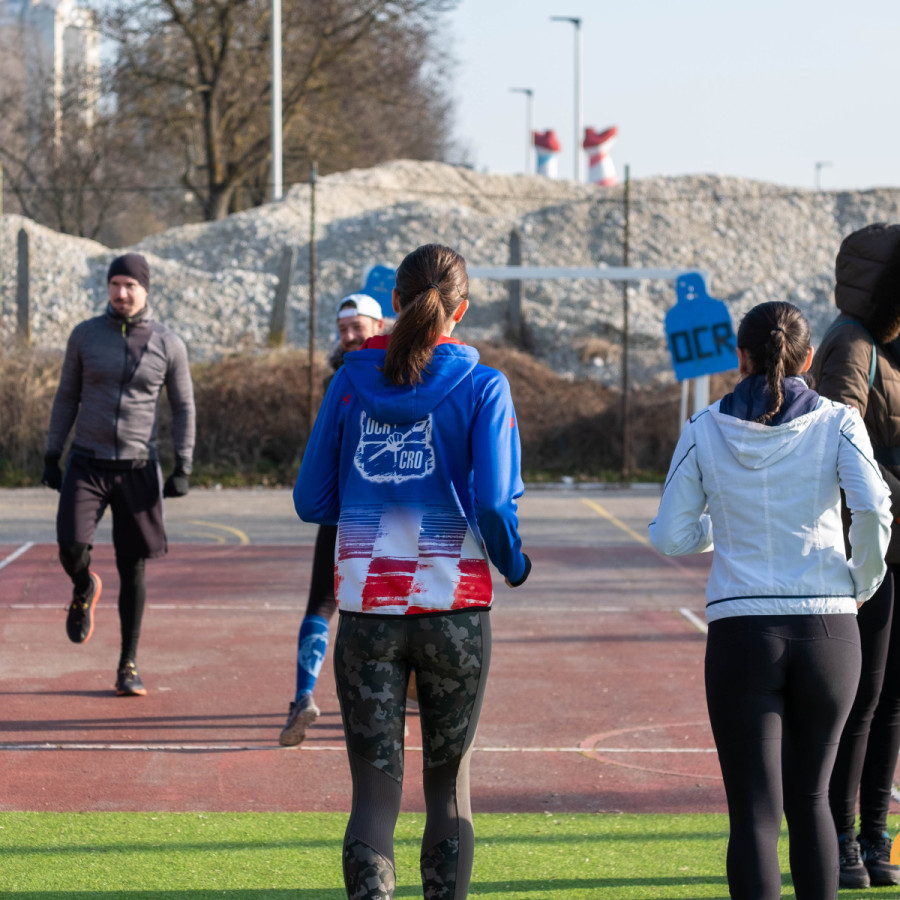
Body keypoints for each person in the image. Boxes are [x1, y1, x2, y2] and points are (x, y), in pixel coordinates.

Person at [293, 243, 531, 900]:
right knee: (448, 788)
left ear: (394, 303)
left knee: (374, 793)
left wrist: (372, 488)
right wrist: (513, 563)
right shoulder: (484, 386)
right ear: (462, 309)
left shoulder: (348, 382)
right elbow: (491, 501)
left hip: (368, 613)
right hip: (454, 609)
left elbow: (311, 500)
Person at [649, 300, 891, 900]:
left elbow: (671, 534)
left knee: (755, 814)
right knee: (812, 801)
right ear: (808, 358)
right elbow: (875, 509)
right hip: (831, 630)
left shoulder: (704, 427)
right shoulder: (839, 422)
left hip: (742, 632)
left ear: (741, 357)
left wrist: (723, 526)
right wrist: (861, 582)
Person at [42, 252, 196, 697]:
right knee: (71, 546)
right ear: (108, 288)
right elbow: (66, 396)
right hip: (86, 461)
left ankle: (128, 663)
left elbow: (183, 405)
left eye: (130, 285)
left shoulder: (169, 343)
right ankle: (83, 583)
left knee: (133, 568)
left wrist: (183, 464)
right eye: (115, 285)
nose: (122, 293)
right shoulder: (85, 336)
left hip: (137, 466)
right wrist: (53, 453)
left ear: (146, 290)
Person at [810, 222, 900, 888]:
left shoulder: (891, 344)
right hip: (863, 552)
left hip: (896, 544)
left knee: (891, 700)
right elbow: (841, 447)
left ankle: (876, 838)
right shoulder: (851, 343)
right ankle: (841, 839)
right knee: (859, 699)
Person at [279, 292, 385, 746]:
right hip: (372, 510)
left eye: (355, 328)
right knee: (364, 607)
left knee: (331, 605)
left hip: (351, 509)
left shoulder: (345, 380)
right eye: (341, 330)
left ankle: (307, 695)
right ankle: (311, 698)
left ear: (378, 327)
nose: (346, 337)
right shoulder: (383, 375)